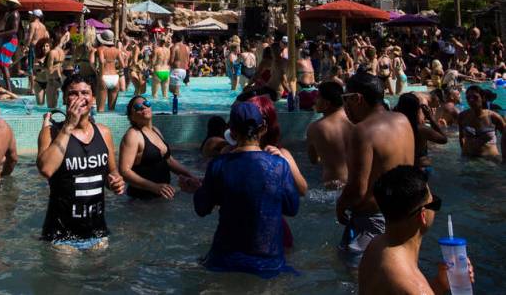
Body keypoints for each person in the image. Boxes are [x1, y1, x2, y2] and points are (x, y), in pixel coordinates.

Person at [184, 101, 299, 276]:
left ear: (232, 132)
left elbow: (202, 208)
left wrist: (198, 189)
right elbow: (292, 208)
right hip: (269, 262)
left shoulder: (219, 165)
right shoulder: (279, 165)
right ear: (263, 129)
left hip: (224, 262)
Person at [37, 73, 125, 249]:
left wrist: (116, 182)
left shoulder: (104, 133)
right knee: (67, 276)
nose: (79, 98)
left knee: (100, 276)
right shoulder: (51, 133)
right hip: (61, 234)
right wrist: (68, 126)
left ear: (93, 98)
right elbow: (46, 169)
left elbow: (112, 172)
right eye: (73, 93)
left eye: (85, 93)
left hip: (97, 231)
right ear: (64, 98)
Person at [336, 71, 415, 267]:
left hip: (372, 221)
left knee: (357, 275)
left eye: (345, 99)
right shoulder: (402, 120)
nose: (345, 107)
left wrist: (340, 205)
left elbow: (357, 189)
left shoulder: (362, 131)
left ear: (358, 98)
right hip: (405, 215)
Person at [359, 165, 474, 295]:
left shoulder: (375, 247)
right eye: (434, 203)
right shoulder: (414, 287)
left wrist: (440, 284)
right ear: (423, 215)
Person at [118, 95, 200, 199]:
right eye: (138, 107)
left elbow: (169, 160)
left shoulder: (155, 131)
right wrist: (154, 187)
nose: (143, 107)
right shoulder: (133, 135)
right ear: (131, 116)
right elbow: (124, 171)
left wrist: (191, 176)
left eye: (146, 104)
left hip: (161, 196)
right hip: (141, 201)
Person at [306, 81, 353, 189]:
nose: (314, 100)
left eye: (317, 97)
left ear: (326, 103)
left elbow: (314, 160)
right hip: (356, 182)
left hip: (333, 185)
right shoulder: (355, 121)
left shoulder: (315, 128)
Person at [394, 93, 448, 169]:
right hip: (420, 167)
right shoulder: (421, 129)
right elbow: (444, 139)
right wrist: (431, 118)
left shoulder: (395, 128)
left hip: (401, 167)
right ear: (417, 109)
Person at [458, 84, 504, 160]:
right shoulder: (462, 116)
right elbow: (461, 137)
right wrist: (463, 155)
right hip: (468, 160)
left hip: (490, 161)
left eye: (475, 97)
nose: (471, 100)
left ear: (483, 98)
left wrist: (504, 157)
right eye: (468, 98)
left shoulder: (494, 117)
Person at [0, 0, 21, 89]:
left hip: (10, 41)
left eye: (8, 3)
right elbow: (8, 29)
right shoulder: (10, 13)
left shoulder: (15, 14)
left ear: (12, 4)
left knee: (3, 64)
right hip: (7, 40)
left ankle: (9, 88)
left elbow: (14, 30)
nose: (7, 5)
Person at [97, 29, 122, 111]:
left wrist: (100, 75)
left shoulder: (101, 49)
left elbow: (101, 61)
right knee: (112, 109)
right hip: (115, 77)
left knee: (100, 109)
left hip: (104, 76)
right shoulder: (117, 50)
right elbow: (123, 65)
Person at [26, 9, 46, 84]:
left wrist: (26, 46)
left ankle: (32, 88)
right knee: (39, 67)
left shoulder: (32, 24)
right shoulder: (43, 26)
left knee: (31, 67)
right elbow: (44, 38)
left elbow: (30, 37)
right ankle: (39, 84)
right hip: (41, 47)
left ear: (35, 16)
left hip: (33, 46)